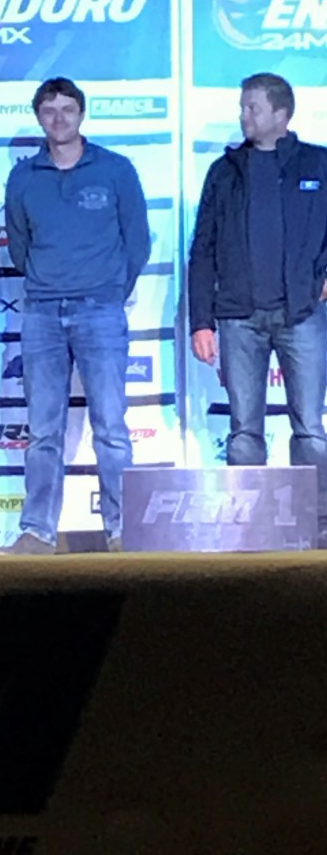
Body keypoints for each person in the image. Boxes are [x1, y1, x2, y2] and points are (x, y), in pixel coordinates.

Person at [0, 76, 150, 555]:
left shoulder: (115, 169)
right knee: (43, 431)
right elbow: (19, 246)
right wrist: (52, 283)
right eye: (49, 111)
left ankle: (122, 532)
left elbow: (137, 242)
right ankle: (38, 532)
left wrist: (107, 291)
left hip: (100, 311)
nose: (58, 118)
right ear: (38, 118)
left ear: (81, 114)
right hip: (42, 313)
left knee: (111, 428)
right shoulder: (24, 177)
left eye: (67, 109)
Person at [189, 72, 327, 542]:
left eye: (253, 108)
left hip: (301, 315)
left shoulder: (318, 163)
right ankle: (249, 530)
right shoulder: (224, 171)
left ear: (282, 115)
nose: (244, 115)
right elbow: (202, 249)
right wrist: (201, 321)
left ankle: (319, 527)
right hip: (238, 319)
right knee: (244, 431)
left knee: (310, 428)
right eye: (243, 107)